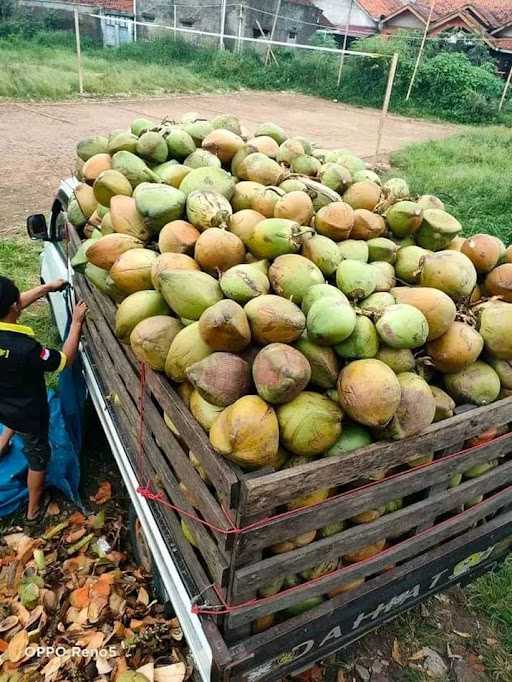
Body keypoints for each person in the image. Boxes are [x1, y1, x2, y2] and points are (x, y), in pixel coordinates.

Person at [0, 275, 87, 522]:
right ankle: (33, 511)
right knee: (38, 459)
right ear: (14, 306)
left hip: (4, 402)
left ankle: (3, 444)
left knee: (10, 412)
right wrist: (76, 325)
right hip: (28, 413)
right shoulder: (26, 349)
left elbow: (15, 305)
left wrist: (47, 288)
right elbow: (64, 360)